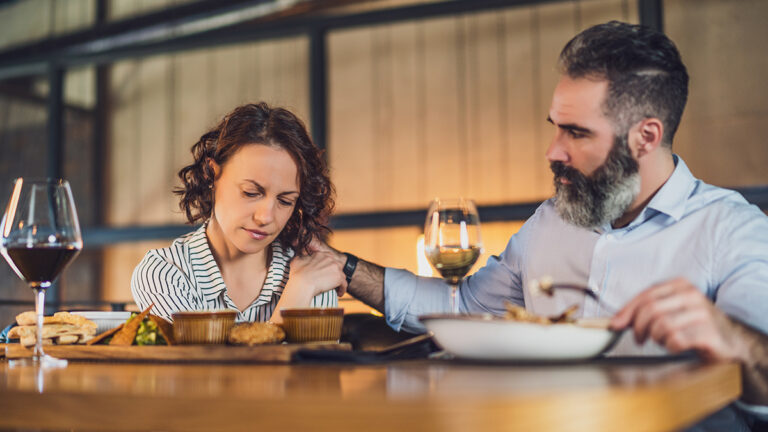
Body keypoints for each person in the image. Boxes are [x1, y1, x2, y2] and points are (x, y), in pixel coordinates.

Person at [321, 21, 768, 428]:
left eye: (576, 132)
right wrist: (344, 269)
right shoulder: (551, 220)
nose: (553, 151)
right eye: (555, 127)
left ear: (645, 137)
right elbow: (462, 309)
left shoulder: (730, 229)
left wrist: (731, 338)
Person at [131, 103, 346, 324]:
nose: (266, 218)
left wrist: (304, 284)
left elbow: (317, 359)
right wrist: (296, 295)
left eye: (285, 201)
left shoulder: (314, 276)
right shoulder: (166, 273)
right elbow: (198, 360)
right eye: (251, 193)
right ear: (210, 174)